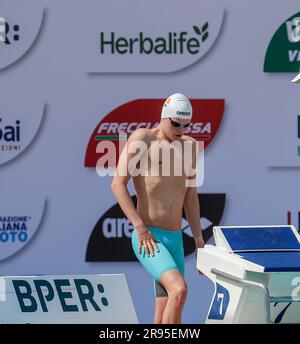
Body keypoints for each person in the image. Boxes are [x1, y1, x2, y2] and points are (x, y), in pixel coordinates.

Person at [111, 93, 204, 324]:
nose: (181, 129)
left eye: (186, 125)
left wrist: (200, 240)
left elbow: (190, 197)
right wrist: (139, 226)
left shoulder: (191, 146)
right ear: (164, 117)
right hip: (150, 238)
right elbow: (117, 184)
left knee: (164, 315)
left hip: (175, 239)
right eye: (176, 124)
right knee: (179, 290)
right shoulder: (144, 139)